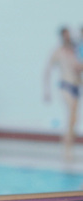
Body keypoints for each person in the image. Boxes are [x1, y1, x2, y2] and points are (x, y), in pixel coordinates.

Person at [44, 27, 83, 161]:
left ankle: (68, 145)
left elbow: (78, 68)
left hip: (76, 86)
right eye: (66, 36)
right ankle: (67, 149)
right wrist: (47, 90)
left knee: (74, 120)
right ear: (62, 37)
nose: (68, 38)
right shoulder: (58, 52)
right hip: (65, 86)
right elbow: (47, 70)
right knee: (71, 115)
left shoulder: (75, 51)